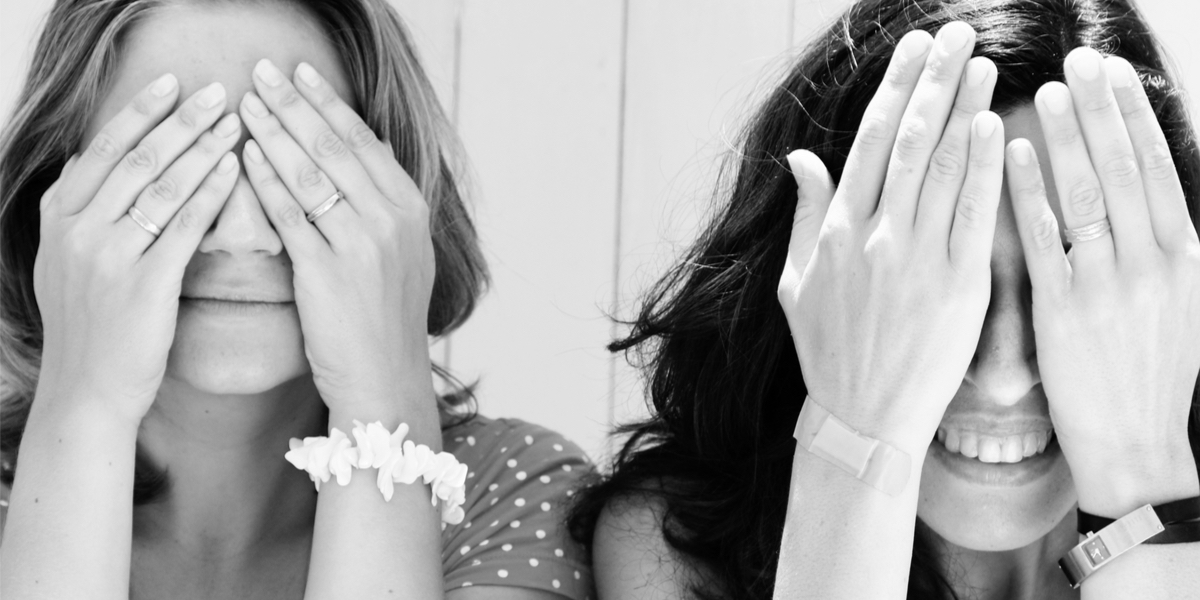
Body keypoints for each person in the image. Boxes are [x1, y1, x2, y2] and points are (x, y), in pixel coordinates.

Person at [569, 0, 1200, 598]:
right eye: (936, 282)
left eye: (1067, 281)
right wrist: (855, 430)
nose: (1005, 378)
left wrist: (1141, 471)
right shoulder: (673, 545)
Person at [0, 1, 593, 598]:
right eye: (173, 166)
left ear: (398, 214)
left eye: (293, 163)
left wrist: (382, 404)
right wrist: (83, 406)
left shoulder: (512, 493)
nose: (241, 236)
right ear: (50, 204)